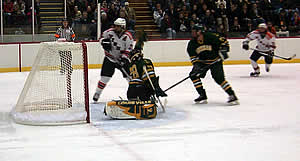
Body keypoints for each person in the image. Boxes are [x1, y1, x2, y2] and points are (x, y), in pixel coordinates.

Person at [187, 25, 238, 105]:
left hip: (215, 61)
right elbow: (193, 57)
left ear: (199, 32)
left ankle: (232, 95)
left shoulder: (211, 36)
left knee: (219, 79)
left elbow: (224, 42)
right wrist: (196, 66)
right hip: (202, 62)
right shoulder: (192, 43)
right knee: (193, 75)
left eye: (194, 32)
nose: (192, 33)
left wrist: (224, 51)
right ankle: (202, 95)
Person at [93, 18, 134, 102]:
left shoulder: (128, 36)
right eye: (115, 26)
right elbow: (101, 38)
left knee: (130, 78)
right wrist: (103, 42)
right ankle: (97, 93)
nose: (115, 27)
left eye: (118, 26)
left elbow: (129, 49)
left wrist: (123, 59)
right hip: (109, 58)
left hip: (122, 60)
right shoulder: (109, 32)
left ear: (123, 27)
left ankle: (135, 93)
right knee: (104, 78)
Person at [127, 30, 167, 101]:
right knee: (146, 91)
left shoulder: (131, 65)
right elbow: (150, 77)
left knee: (133, 99)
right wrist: (156, 88)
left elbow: (137, 48)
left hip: (131, 90)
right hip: (142, 90)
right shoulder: (145, 62)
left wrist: (140, 41)